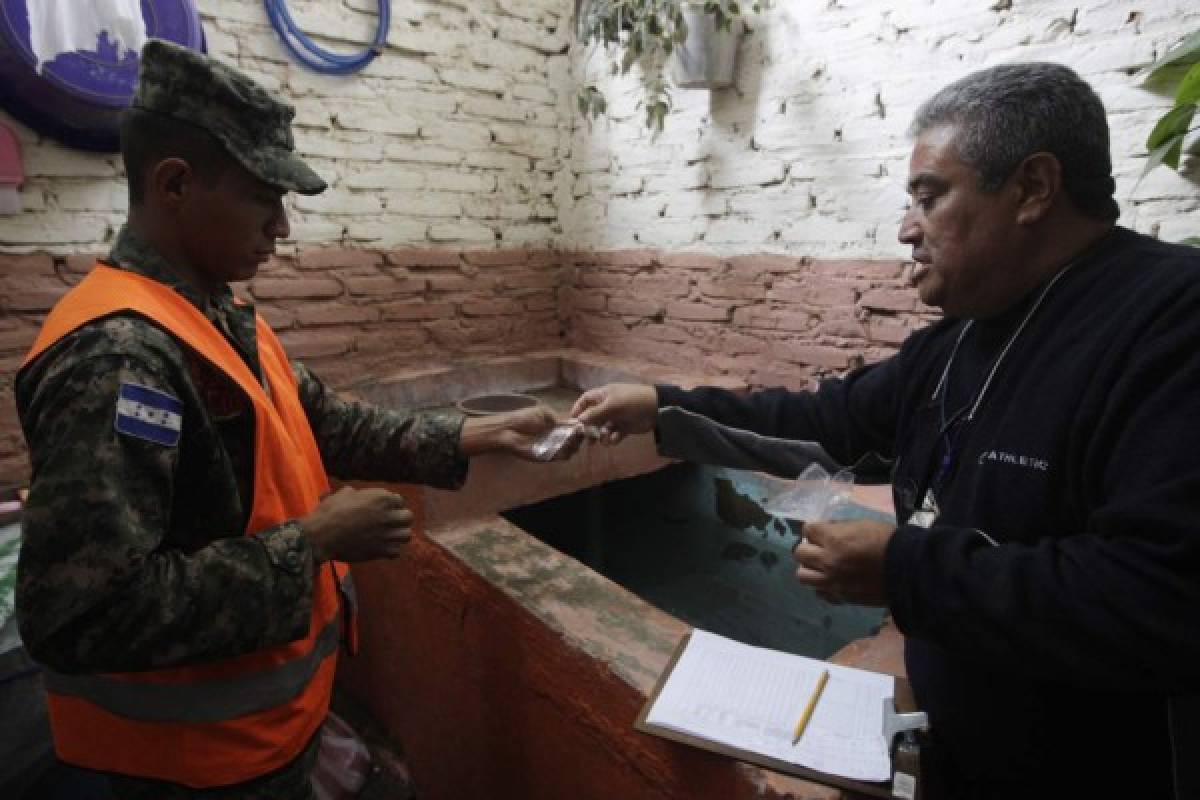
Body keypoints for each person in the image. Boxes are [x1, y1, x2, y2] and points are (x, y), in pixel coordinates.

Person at [572, 62, 1200, 799]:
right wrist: (662, 408)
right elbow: (827, 425)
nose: (906, 228)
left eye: (929, 198)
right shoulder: (958, 339)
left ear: (1033, 188)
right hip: (962, 743)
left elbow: (1163, 598)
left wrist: (908, 570)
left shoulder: (1170, 321)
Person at [14, 40, 571, 800]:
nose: (282, 226)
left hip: (263, 736)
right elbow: (78, 615)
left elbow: (321, 421)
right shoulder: (118, 357)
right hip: (186, 768)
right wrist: (310, 545)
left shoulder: (217, 311)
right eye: (262, 197)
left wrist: (469, 433)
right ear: (174, 184)